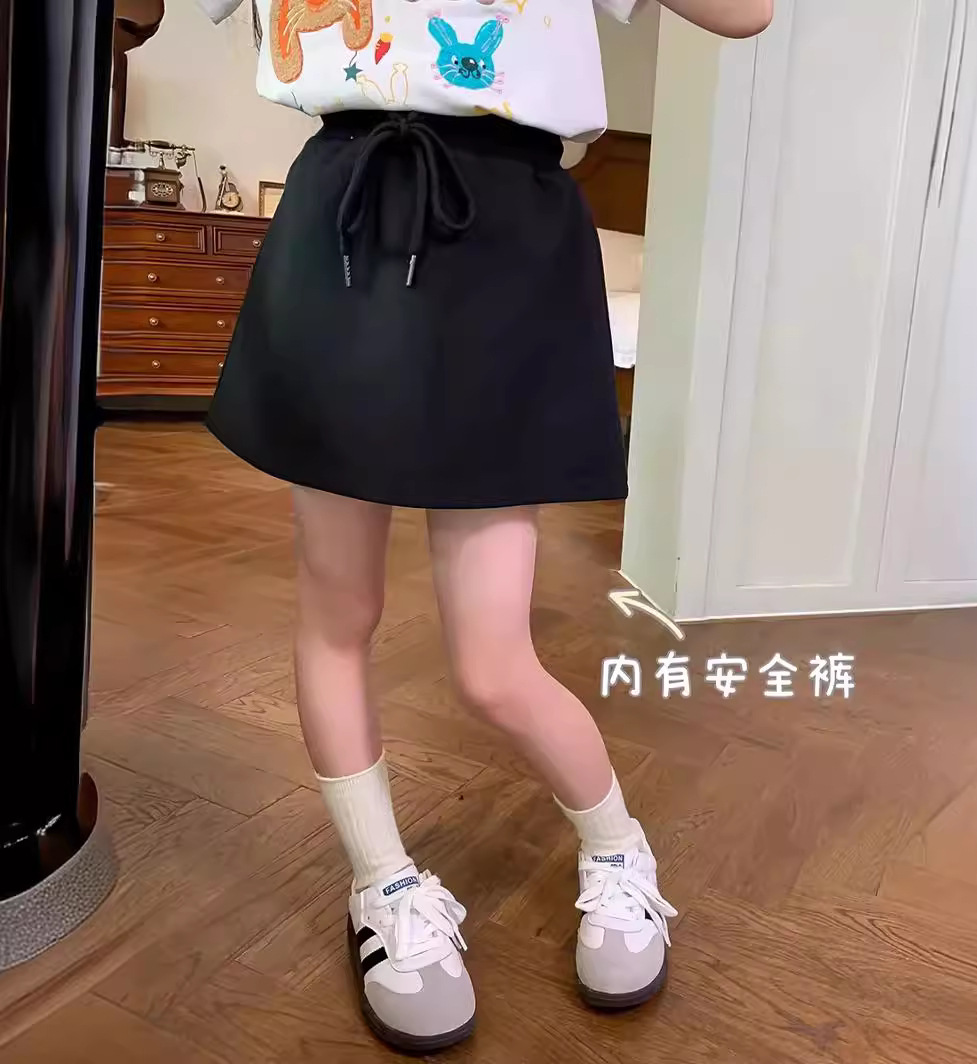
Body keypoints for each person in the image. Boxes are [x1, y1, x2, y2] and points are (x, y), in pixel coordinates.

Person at [197, 0, 772, 1053]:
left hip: (507, 227)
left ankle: (617, 848)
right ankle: (382, 883)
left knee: (493, 662)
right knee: (336, 609)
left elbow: (746, 12)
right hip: (342, 217)